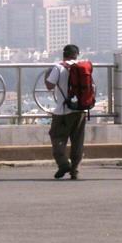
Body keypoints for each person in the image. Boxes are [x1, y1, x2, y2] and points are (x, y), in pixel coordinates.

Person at [44, 44, 91, 180]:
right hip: (80, 109)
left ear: (63, 54)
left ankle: (63, 164)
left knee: (57, 136)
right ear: (77, 54)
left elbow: (49, 85)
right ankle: (75, 169)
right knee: (77, 141)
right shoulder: (83, 67)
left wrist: (47, 74)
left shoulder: (58, 67)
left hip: (63, 110)